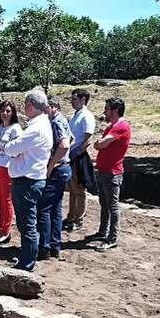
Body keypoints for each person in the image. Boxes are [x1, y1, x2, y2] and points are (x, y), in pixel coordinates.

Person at [2, 89, 53, 271]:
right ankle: (26, 258)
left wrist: (6, 145)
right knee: (26, 223)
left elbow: (13, 148)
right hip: (29, 179)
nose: (24, 108)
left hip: (27, 181)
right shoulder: (40, 125)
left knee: (27, 224)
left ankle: (27, 263)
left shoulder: (36, 128)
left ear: (31, 106)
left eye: (25, 105)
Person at [86, 97, 132, 251]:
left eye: (106, 109)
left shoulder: (121, 127)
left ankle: (112, 238)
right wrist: (100, 144)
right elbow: (100, 143)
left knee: (112, 206)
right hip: (104, 171)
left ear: (115, 110)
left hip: (112, 173)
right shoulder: (112, 126)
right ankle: (102, 232)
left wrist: (100, 144)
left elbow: (101, 143)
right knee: (104, 204)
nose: (104, 112)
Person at [37, 97, 72, 260]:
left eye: (45, 109)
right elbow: (72, 139)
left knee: (44, 209)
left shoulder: (57, 122)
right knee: (55, 208)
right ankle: (54, 245)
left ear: (53, 107)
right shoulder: (63, 121)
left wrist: (51, 164)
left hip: (57, 170)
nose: (44, 112)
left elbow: (64, 144)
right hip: (63, 168)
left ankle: (44, 247)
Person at [0, 100, 23, 243]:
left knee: (7, 200)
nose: (5, 113)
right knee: (0, 199)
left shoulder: (15, 128)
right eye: (3, 110)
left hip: (8, 167)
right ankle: (0, 226)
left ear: (13, 113)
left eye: (8, 111)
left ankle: (6, 230)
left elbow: (19, 149)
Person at [64, 88, 96, 232]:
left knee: (80, 189)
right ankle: (71, 216)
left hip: (79, 156)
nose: (72, 101)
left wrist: (76, 153)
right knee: (72, 188)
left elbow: (88, 139)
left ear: (83, 100)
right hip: (71, 155)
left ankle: (79, 219)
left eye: (74, 99)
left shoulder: (87, 116)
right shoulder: (75, 115)